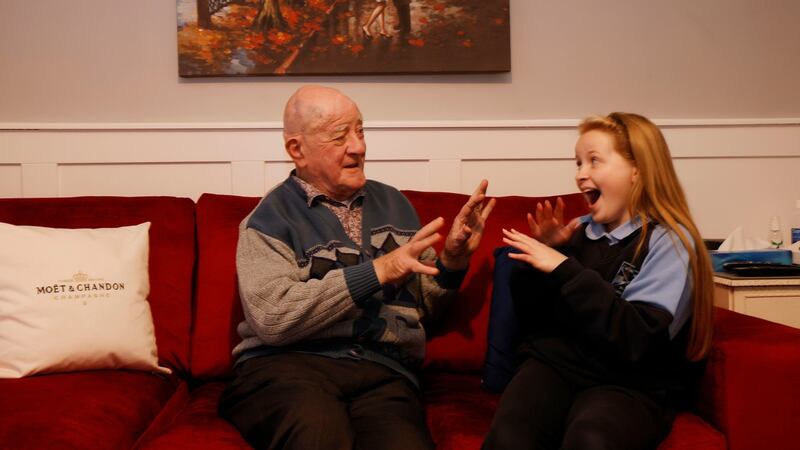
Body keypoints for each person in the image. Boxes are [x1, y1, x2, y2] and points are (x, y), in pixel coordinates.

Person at [219, 85, 495, 450]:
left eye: (360, 131)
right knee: (318, 435)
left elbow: (421, 309)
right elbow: (273, 317)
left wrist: (453, 260)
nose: (359, 146)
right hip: (287, 367)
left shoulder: (394, 204)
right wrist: (378, 271)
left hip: (383, 371)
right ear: (296, 150)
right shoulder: (268, 220)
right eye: (339, 136)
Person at [482, 112, 714, 450]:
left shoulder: (669, 242)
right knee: (509, 437)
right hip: (554, 368)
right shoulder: (575, 232)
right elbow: (533, 320)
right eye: (577, 163)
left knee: (591, 438)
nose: (580, 175)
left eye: (593, 161)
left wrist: (564, 269)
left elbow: (638, 339)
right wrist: (542, 260)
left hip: (628, 383)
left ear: (638, 169)